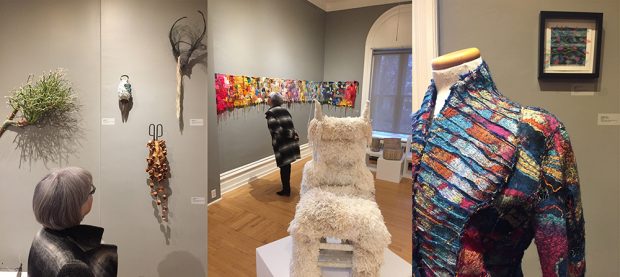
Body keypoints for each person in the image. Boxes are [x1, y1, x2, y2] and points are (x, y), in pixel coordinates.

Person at [28, 167, 118, 277]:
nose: (92, 194)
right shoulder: (72, 267)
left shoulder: (42, 235)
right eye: (90, 191)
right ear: (75, 206)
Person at [265, 93, 301, 196]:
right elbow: (291, 126)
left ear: (272, 100)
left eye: (268, 97)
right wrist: (294, 134)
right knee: (287, 165)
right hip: (289, 142)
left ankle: (286, 190)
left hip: (282, 144)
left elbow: (277, 130)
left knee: (284, 166)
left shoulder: (271, 113)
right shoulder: (285, 111)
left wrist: (291, 134)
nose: (267, 99)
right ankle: (286, 188)